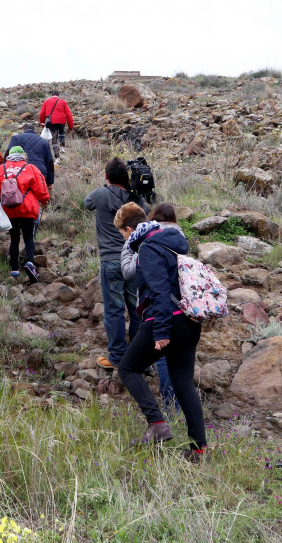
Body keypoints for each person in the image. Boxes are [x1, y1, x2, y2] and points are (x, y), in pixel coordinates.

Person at [118, 217, 207, 463]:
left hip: (165, 319)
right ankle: (198, 450)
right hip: (189, 321)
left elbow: (158, 290)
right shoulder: (173, 244)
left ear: (132, 232)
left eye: (125, 237)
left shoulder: (148, 248)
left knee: (127, 368)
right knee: (183, 385)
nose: (125, 243)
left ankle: (156, 424)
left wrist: (161, 332)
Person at [115, 202, 176, 411]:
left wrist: (128, 246)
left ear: (129, 230)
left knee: (135, 365)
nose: (123, 237)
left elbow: (130, 272)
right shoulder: (173, 235)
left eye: (123, 233)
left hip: (157, 310)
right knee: (178, 364)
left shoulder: (145, 244)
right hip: (180, 309)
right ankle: (179, 413)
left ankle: (164, 413)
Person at [84, 158, 139, 370]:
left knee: (114, 311)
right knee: (137, 310)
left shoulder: (100, 194)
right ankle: (139, 356)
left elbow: (86, 203)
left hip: (110, 260)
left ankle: (116, 357)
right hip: (134, 260)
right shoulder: (135, 199)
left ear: (107, 176)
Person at [0, 146, 50, 283]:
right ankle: (30, 263)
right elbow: (40, 189)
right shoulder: (31, 168)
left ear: (9, 156)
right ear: (23, 156)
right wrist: (45, 201)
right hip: (28, 209)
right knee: (28, 237)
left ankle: (14, 269)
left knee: (14, 238)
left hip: (8, 210)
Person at [38, 91, 74, 160]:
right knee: (61, 132)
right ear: (58, 95)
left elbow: (42, 114)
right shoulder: (63, 102)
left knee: (54, 139)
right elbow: (69, 114)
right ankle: (62, 147)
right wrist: (71, 126)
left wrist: (42, 123)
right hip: (62, 121)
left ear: (52, 95)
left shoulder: (46, 101)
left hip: (52, 122)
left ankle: (57, 157)